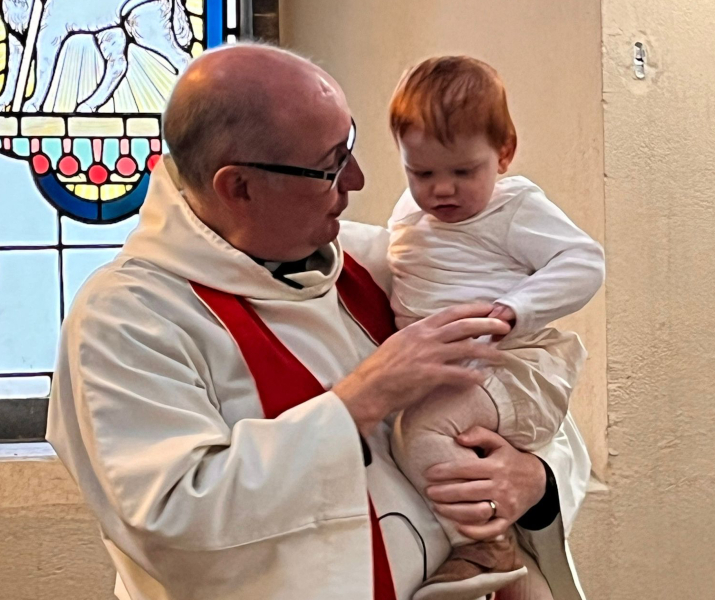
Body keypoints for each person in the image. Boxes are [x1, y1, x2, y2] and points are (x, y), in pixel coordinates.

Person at [46, 43, 591, 600]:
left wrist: (534, 481)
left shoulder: (384, 263)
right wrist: (358, 400)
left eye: (350, 145)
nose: (356, 181)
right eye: (330, 164)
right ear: (238, 186)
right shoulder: (129, 319)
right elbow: (173, 517)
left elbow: (528, 394)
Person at [385, 57, 605, 600]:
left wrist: (513, 309)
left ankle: (485, 546)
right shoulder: (406, 222)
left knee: (424, 432)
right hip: (467, 380)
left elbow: (584, 262)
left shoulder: (513, 207)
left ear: (503, 152)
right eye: (422, 173)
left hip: (512, 368)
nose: (440, 190)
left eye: (462, 172)